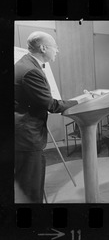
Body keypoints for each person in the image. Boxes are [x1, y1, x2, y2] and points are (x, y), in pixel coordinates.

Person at [14, 31, 85, 203]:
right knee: (31, 187)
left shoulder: (25, 63)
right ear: (44, 48)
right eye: (55, 47)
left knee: (26, 182)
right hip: (28, 136)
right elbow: (51, 105)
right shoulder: (31, 71)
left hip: (21, 134)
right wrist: (80, 100)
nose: (57, 51)